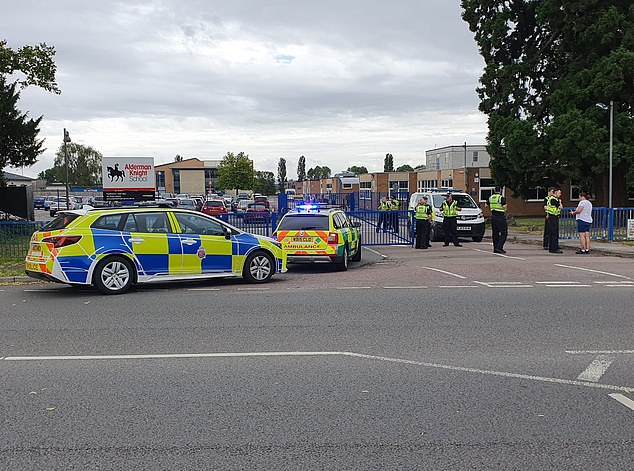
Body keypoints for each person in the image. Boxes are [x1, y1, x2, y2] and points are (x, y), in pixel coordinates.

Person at [487, 187, 508, 253]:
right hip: (500, 217)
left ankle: (495, 248)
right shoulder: (501, 198)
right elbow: (504, 206)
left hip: (493, 216)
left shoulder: (491, 198)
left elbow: (485, 205)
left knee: (495, 233)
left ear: (494, 190)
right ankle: (499, 247)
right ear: (500, 190)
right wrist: (504, 207)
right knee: (504, 233)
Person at [545, 188, 563, 253]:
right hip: (553, 217)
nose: (560, 194)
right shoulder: (553, 199)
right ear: (555, 193)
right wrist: (560, 202)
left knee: (553, 233)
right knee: (554, 233)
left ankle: (552, 248)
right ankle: (553, 248)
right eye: (559, 193)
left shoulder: (553, 199)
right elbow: (561, 207)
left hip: (553, 216)